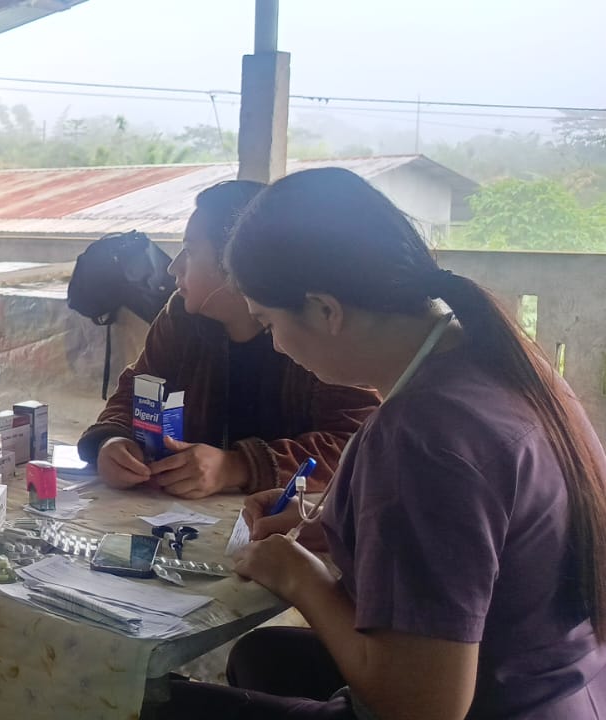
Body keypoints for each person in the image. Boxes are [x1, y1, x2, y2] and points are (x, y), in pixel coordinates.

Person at [159, 168, 606, 719]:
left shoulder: (423, 435)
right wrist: (335, 523)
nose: (275, 345)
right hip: (566, 686)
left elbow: (424, 708)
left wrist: (300, 575)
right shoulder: (500, 362)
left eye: (269, 323)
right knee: (262, 655)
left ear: (325, 310)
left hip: (486, 705)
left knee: (145, 705)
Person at [76, 181, 380, 498]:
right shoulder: (182, 318)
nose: (172, 267)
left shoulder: (311, 327)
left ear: (236, 263)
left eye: (190, 251)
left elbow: (355, 442)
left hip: (288, 517)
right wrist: (113, 440)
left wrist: (237, 466)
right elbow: (139, 389)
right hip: (188, 514)